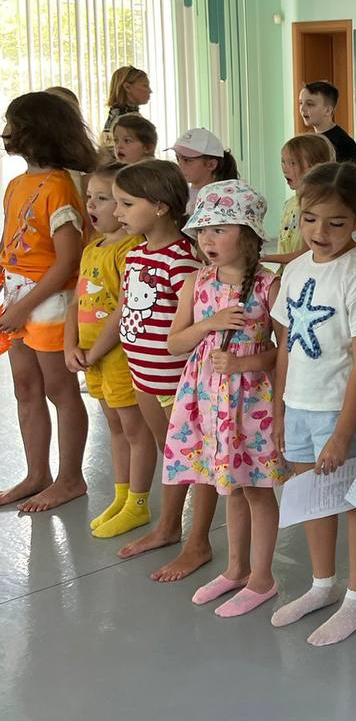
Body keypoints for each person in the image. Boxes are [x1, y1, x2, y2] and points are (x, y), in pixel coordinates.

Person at [269, 161, 356, 646]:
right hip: (299, 404)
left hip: (343, 411)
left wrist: (342, 433)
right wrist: (279, 409)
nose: (320, 232)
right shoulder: (296, 269)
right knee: (312, 496)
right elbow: (285, 346)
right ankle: (322, 584)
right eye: (310, 219)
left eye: (336, 223)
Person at [165, 180, 286, 617]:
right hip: (208, 400)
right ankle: (236, 569)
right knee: (229, 486)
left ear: (248, 236)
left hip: (251, 404)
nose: (208, 240)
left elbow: (284, 352)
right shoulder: (196, 282)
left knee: (256, 489)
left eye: (220, 230)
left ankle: (262, 578)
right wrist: (209, 324)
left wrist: (244, 363)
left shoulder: (269, 286)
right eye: (203, 230)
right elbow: (174, 344)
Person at [113, 160, 218, 581]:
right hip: (143, 374)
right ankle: (169, 526)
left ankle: (198, 542)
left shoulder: (184, 261)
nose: (117, 212)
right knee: (171, 454)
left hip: (178, 383)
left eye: (126, 204)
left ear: (159, 206)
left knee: (198, 460)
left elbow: (195, 326)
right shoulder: (136, 254)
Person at [0, 92, 96, 512]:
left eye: (13, 123)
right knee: (26, 386)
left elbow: (68, 261)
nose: (6, 131)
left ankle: (70, 478)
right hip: (18, 298)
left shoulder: (59, 186)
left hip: (50, 302)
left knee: (60, 388)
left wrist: (23, 307)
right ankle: (36, 473)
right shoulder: (16, 184)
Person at [64, 162, 144, 535]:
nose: (92, 206)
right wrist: (70, 345)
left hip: (119, 357)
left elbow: (124, 308)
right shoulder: (91, 248)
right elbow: (76, 302)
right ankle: (121, 494)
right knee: (114, 426)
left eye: (103, 199)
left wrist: (95, 352)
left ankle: (138, 503)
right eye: (89, 198)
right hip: (92, 357)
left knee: (133, 429)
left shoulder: (131, 250)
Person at [265, 134, 334, 268]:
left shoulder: (319, 207)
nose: (285, 168)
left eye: (292, 163)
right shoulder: (290, 204)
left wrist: (264, 257)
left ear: (315, 167)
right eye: (283, 162)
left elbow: (306, 254)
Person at [171, 128, 239, 211]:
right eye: (177, 158)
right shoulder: (179, 195)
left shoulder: (225, 201)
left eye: (187, 160)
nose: (180, 165)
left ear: (211, 164)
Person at [299, 81, 356, 166]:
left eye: (310, 104)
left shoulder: (343, 144)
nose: (302, 108)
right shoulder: (310, 140)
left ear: (328, 110)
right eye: (301, 103)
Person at [102, 66, 151, 151]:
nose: (150, 91)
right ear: (127, 87)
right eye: (145, 86)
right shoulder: (129, 121)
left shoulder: (113, 116)